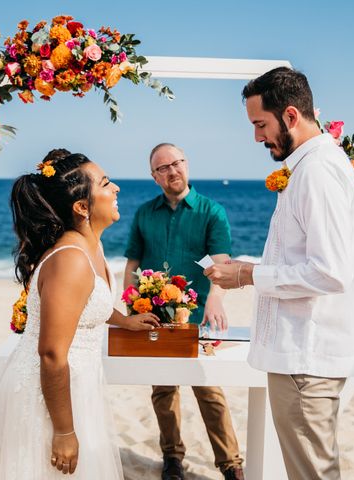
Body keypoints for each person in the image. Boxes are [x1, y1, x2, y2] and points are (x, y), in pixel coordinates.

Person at [205, 67, 354, 480]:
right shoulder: (312, 167)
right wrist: (247, 266)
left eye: (261, 124)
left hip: (307, 358)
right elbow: (304, 258)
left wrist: (247, 276)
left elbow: (330, 272)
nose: (257, 137)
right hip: (304, 357)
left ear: (292, 115)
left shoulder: (316, 172)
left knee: (312, 474)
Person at [0, 150, 160, 479]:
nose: (116, 188)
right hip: (48, 391)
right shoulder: (71, 259)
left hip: (78, 383)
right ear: (81, 207)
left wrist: (124, 320)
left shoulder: (92, 245)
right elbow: (50, 353)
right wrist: (63, 432)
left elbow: (88, 303)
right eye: (105, 184)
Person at [123, 143, 245, 480]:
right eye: (163, 168)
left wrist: (217, 296)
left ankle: (231, 464)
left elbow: (220, 262)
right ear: (154, 177)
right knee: (163, 390)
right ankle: (172, 459)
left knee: (209, 390)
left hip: (199, 317)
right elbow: (133, 260)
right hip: (155, 318)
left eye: (176, 163)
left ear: (186, 165)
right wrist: (130, 303)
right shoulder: (144, 213)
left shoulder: (211, 212)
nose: (171, 171)